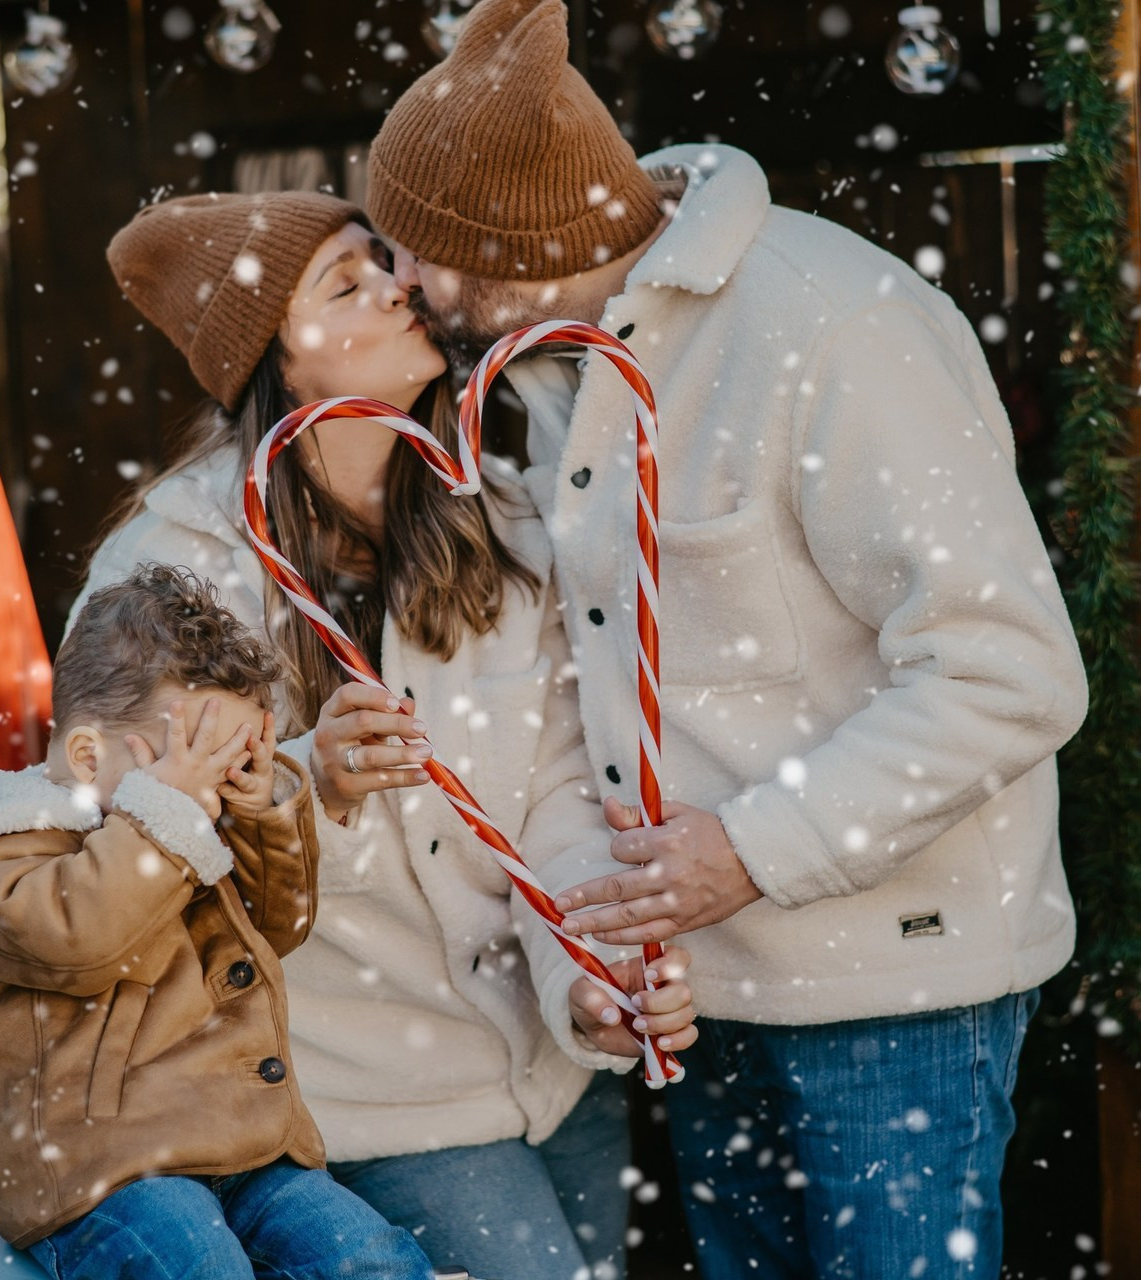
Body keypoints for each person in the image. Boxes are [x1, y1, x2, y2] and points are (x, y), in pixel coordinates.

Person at [363, 2, 1092, 1278]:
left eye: (420, 249)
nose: (406, 284)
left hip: (891, 994)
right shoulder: (532, 381)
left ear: (504, 239)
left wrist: (753, 847)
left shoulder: (828, 327)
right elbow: (577, 697)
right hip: (700, 1000)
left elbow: (1008, 667)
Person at [70, 189, 698, 1280]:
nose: (401, 285)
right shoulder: (162, 574)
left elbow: (556, 787)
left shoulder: (499, 521)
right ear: (275, 360)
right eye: (345, 285)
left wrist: (586, 976)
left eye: (386, 264)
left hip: (552, 1063)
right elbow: (121, 847)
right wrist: (313, 782)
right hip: (355, 1091)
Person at [0, 563, 435, 1280]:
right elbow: (82, 941)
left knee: (371, 1258)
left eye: (235, 759)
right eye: (198, 761)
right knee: (195, 1265)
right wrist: (168, 816)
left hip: (241, 1149)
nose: (210, 790)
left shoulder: (182, 823)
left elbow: (278, 926)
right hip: (105, 1169)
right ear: (90, 755)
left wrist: (259, 811)